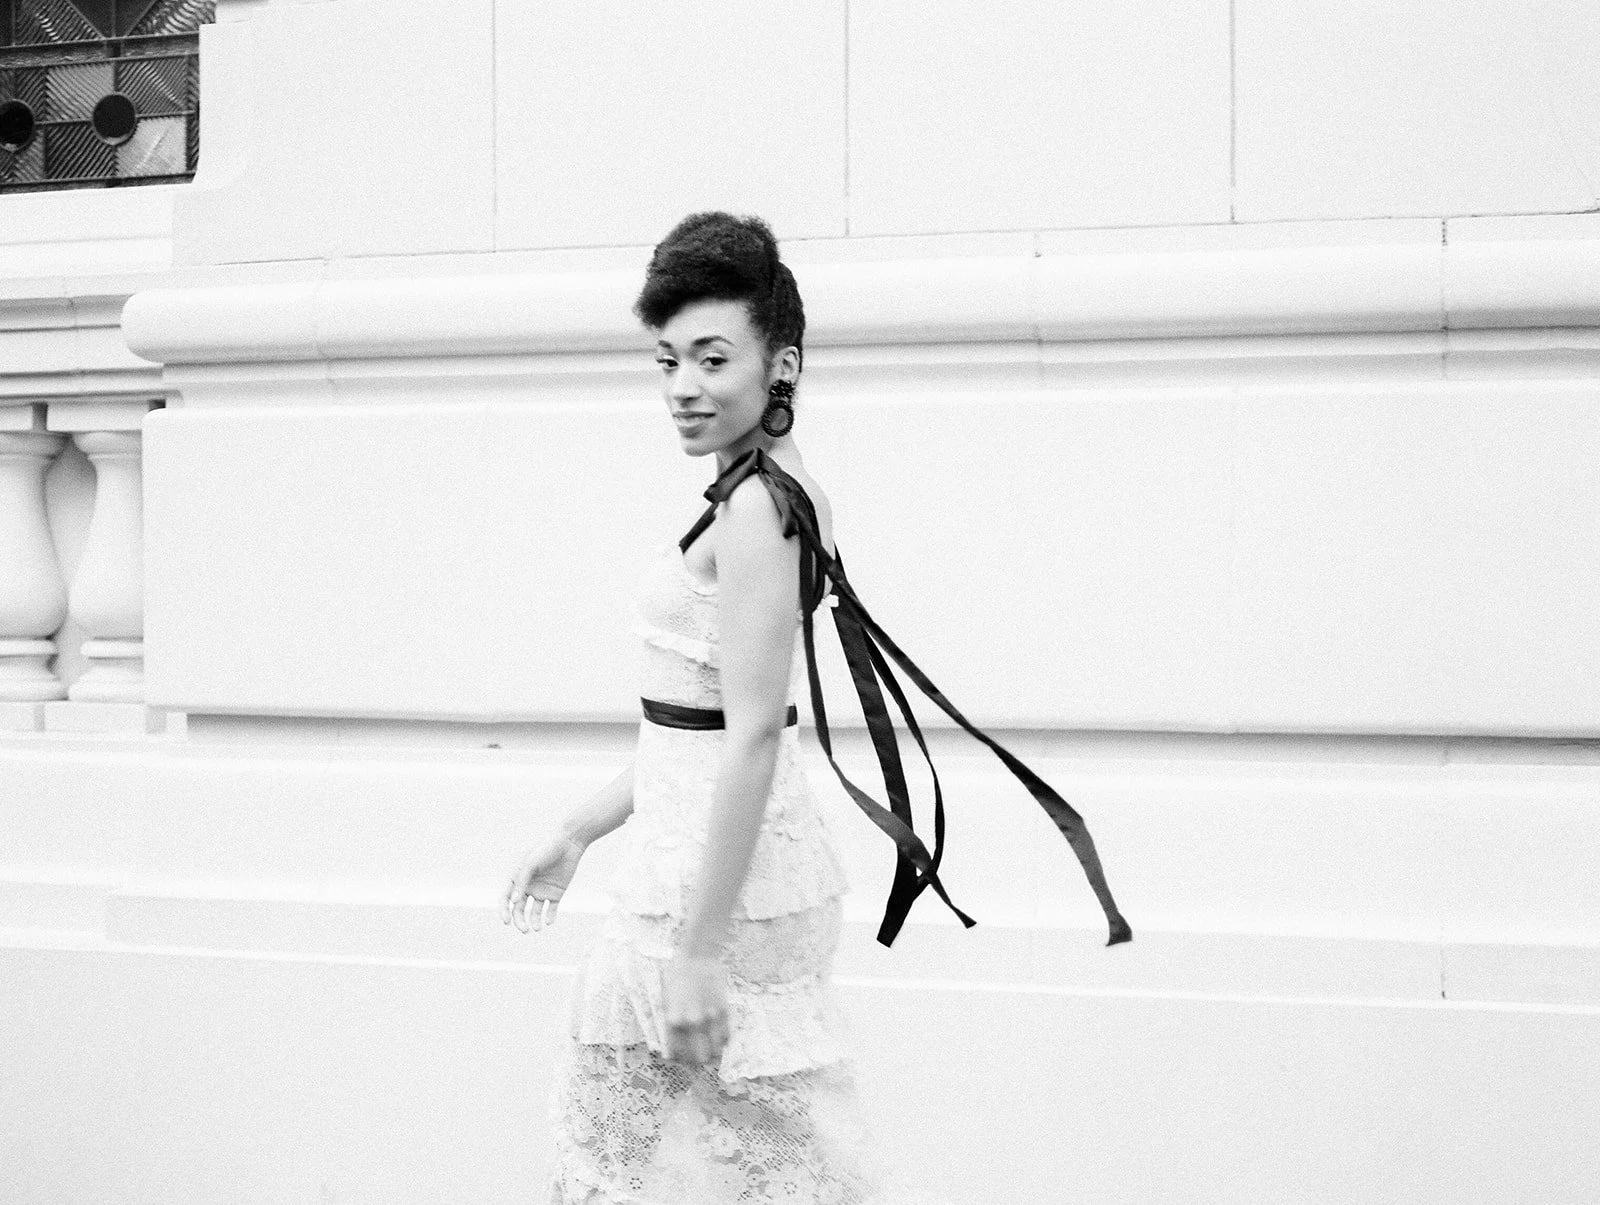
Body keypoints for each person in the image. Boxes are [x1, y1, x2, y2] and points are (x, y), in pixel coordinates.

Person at [503, 212, 1128, 1204]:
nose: (682, 386)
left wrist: (699, 952)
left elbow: (752, 733)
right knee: (758, 1171)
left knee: (612, 1163)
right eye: (667, 359)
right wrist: (580, 828)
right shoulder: (772, 492)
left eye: (713, 358)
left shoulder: (758, 507)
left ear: (782, 363)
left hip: (702, 890)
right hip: (722, 862)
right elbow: (700, 723)